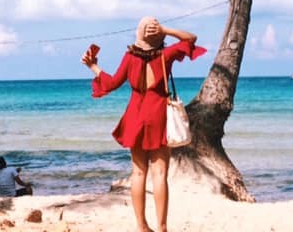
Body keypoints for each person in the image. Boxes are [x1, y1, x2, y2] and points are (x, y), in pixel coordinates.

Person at [82, 17, 204, 232]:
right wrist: (165, 29)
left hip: (135, 116)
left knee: (138, 173)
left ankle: (141, 226)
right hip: (158, 115)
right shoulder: (167, 55)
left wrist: (94, 66)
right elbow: (191, 39)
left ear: (139, 36)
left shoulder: (129, 57)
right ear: (160, 37)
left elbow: (111, 84)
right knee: (160, 173)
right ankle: (163, 227)